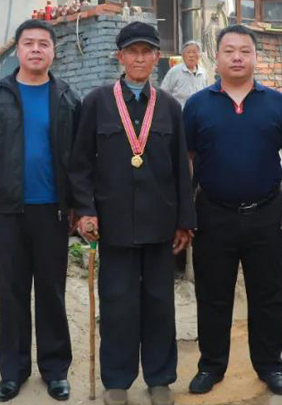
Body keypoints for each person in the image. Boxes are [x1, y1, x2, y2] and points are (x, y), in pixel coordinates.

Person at [69, 21, 195, 405]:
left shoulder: (170, 108)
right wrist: (85, 210)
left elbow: (182, 169)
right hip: (114, 225)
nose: (139, 59)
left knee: (159, 303)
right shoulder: (96, 103)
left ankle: (159, 378)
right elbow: (80, 164)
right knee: (117, 304)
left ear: (157, 58)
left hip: (160, 225)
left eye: (146, 52)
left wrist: (184, 222)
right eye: (132, 52)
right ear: (120, 57)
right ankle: (117, 381)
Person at [182, 24, 282, 397]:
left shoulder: (276, 102)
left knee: (268, 295)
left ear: (255, 56)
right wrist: (185, 212)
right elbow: (185, 160)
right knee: (213, 295)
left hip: (267, 213)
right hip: (212, 213)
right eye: (229, 50)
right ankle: (211, 366)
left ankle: (270, 366)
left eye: (245, 51)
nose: (237, 57)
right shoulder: (198, 105)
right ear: (216, 57)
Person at [0, 18, 80, 403]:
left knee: (51, 291)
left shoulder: (68, 98)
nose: (35, 49)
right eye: (28, 43)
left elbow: (79, 160)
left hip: (53, 212)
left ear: (53, 52)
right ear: (17, 50)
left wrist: (79, 206)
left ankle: (55, 369)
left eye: (43, 44)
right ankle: (12, 372)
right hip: (9, 211)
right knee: (13, 293)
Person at [160, 40, 207, 106]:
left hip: (198, 111)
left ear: (199, 55)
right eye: (188, 52)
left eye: (194, 52)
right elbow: (163, 93)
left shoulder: (203, 73)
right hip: (179, 111)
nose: (191, 55)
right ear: (183, 56)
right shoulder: (174, 71)